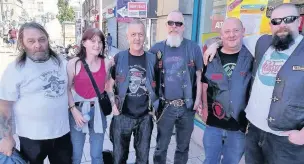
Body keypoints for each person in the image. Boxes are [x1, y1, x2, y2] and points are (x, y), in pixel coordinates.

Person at [204, 3, 304, 164]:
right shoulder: (262, 43)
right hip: (253, 131)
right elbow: (231, 39)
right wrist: (214, 45)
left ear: (299, 22)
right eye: (276, 21)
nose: (282, 25)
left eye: (289, 19)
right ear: (271, 25)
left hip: (285, 140)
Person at [0, 22, 72, 163]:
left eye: (42, 39)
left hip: (61, 133)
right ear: (22, 43)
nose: (37, 45)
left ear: (47, 39)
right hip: (31, 138)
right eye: (31, 41)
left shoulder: (61, 62)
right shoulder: (15, 69)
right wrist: (6, 138)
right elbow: (4, 107)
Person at [149, 10, 203, 164]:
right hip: (165, 107)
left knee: (183, 147)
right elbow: (149, 75)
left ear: (183, 27)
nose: (174, 27)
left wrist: (198, 100)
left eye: (178, 23)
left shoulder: (193, 48)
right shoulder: (156, 49)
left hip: (187, 107)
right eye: (171, 23)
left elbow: (199, 75)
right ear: (166, 25)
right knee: (161, 147)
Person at [201, 18, 251, 164]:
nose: (231, 35)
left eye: (236, 30)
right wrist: (204, 109)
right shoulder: (210, 57)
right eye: (227, 31)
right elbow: (204, 85)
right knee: (210, 160)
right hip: (213, 124)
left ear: (243, 32)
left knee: (231, 162)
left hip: (238, 126)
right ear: (221, 35)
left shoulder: (252, 56)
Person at [108, 19, 158, 164]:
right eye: (133, 34)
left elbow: (159, 85)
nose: (137, 38)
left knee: (143, 159)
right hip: (122, 115)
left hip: (144, 118)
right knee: (119, 158)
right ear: (127, 37)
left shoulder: (152, 59)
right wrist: (113, 107)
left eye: (141, 34)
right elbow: (108, 85)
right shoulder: (119, 58)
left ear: (145, 36)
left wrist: (154, 108)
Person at [67, 28, 109, 164]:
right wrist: (73, 110)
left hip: (98, 112)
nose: (97, 45)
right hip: (78, 112)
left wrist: (113, 103)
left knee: (97, 155)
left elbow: (108, 87)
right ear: (84, 43)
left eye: (100, 41)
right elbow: (66, 88)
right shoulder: (74, 63)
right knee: (76, 155)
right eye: (93, 41)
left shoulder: (107, 63)